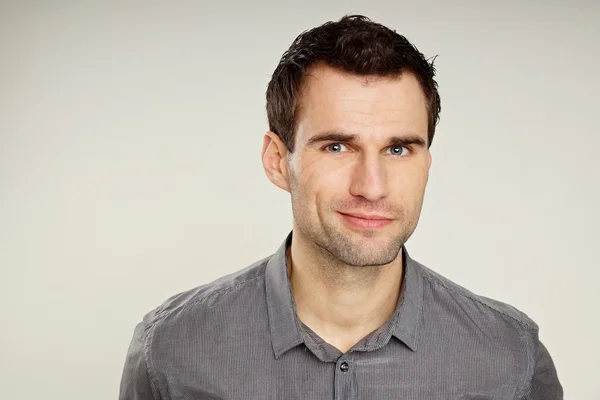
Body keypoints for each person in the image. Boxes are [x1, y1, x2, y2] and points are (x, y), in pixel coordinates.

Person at [119, 15, 563, 399]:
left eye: (398, 149)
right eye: (337, 146)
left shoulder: (511, 358)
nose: (372, 187)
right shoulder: (171, 351)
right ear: (277, 161)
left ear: (427, 163)